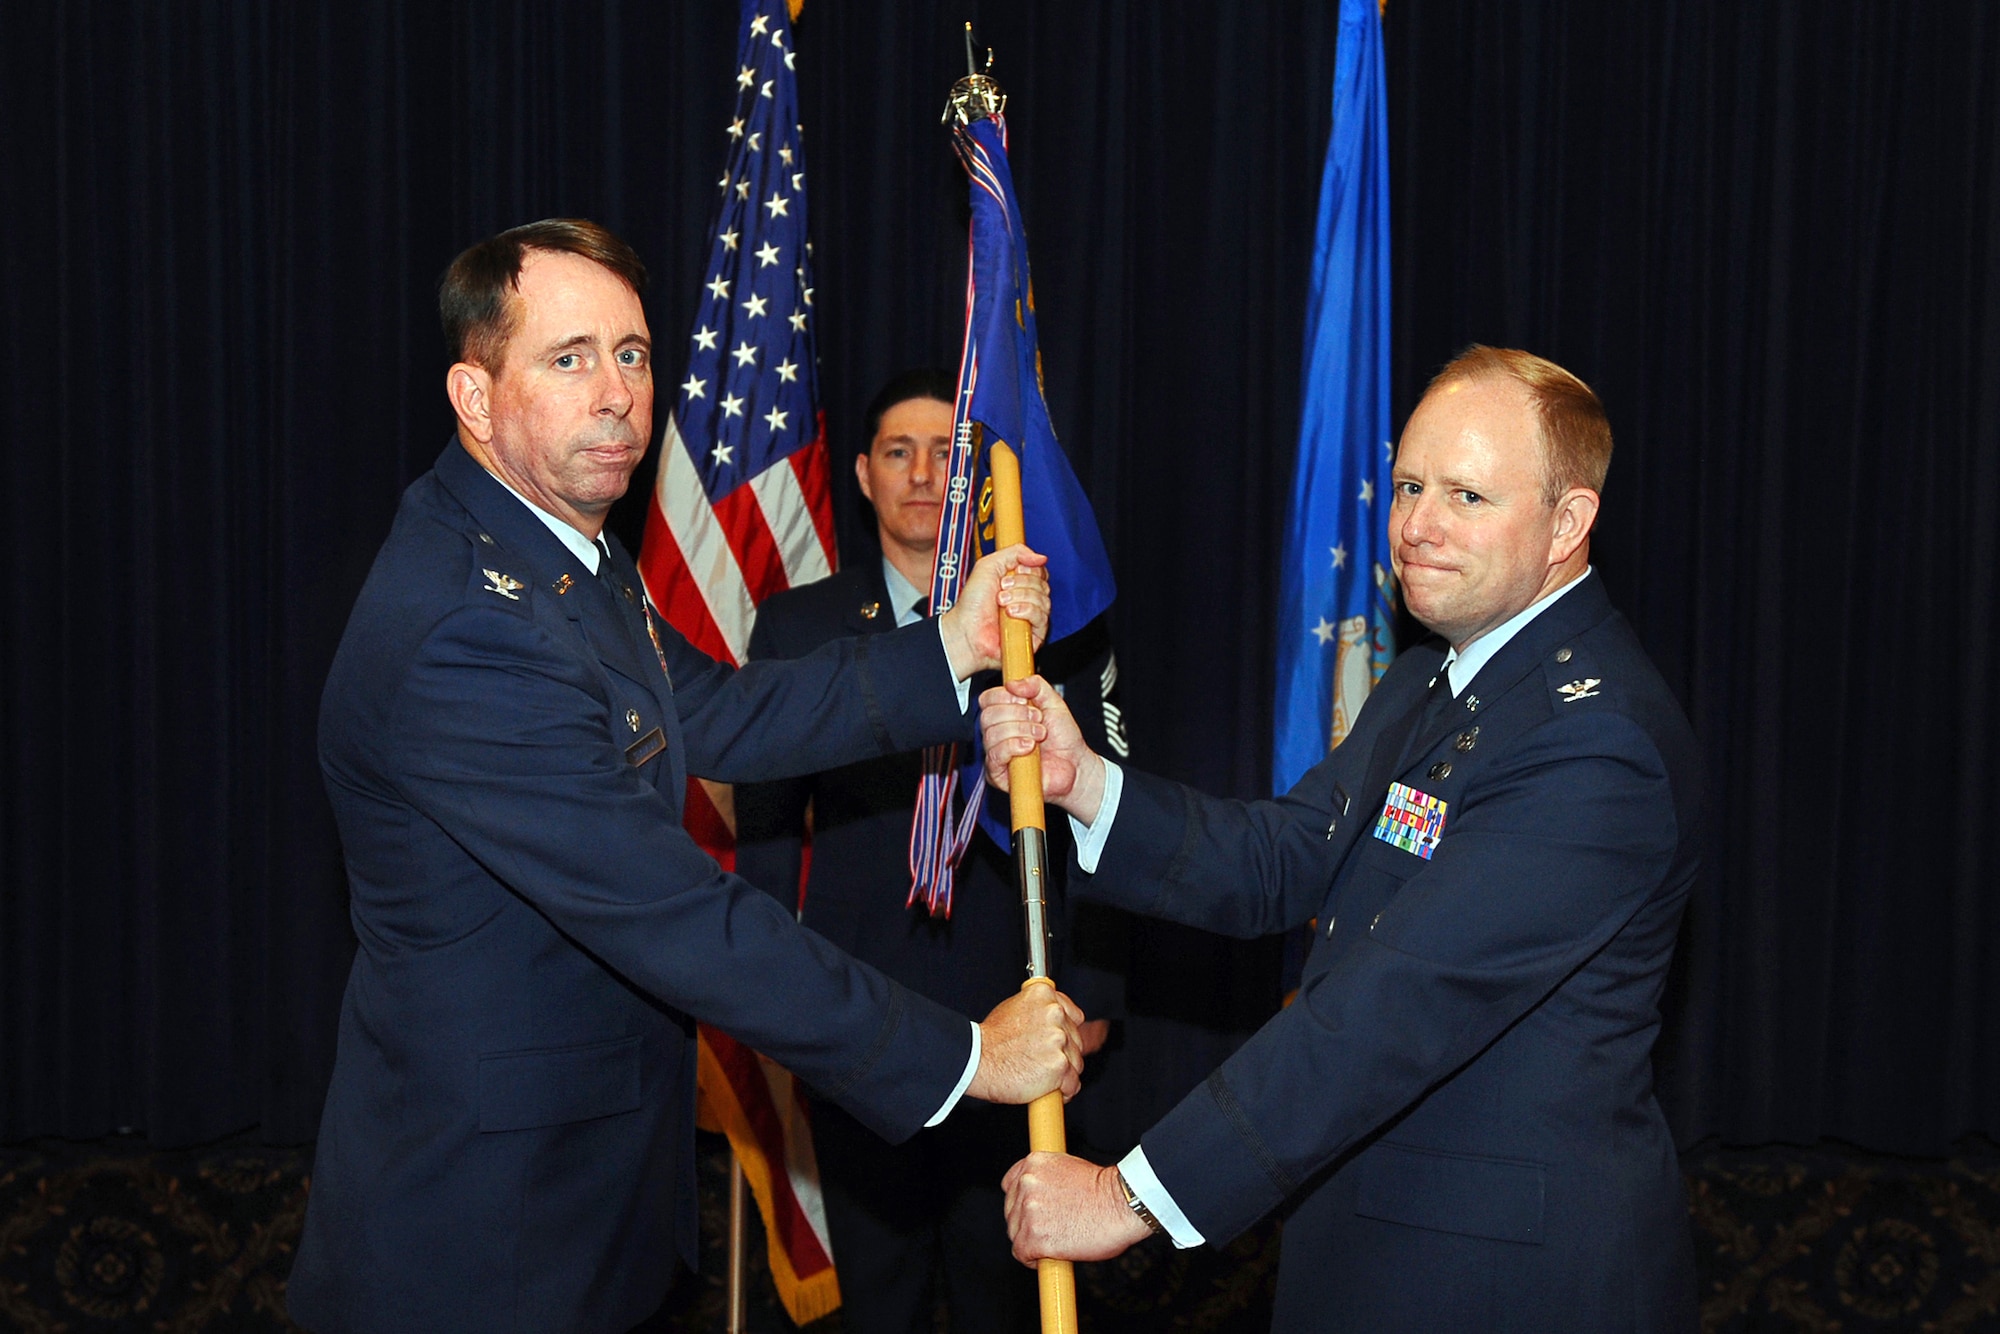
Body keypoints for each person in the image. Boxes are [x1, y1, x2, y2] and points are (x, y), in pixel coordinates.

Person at [287, 220, 1087, 1334]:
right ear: (475, 396)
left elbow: (714, 707)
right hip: (485, 1235)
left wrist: (945, 645)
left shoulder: (562, 551)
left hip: (585, 1189)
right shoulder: (464, 626)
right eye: (568, 358)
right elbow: (668, 907)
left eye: (632, 353)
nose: (617, 392)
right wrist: (959, 1053)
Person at [983, 347, 1703, 1332]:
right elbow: (1282, 855)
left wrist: (1126, 1195)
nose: (1414, 525)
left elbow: (1392, 1006)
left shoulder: (1593, 740)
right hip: (1370, 1244)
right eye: (1408, 483)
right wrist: (1081, 781)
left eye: (1465, 495)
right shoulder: (1428, 679)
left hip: (1498, 1283)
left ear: (1566, 524)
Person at [734, 369, 1128, 1334]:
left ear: (978, 486)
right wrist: (773, 1001)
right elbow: (767, 826)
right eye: (899, 453)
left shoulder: (1047, 626)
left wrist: (1100, 998)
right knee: (882, 1300)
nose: (923, 474)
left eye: (949, 454)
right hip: (860, 1014)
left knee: (1010, 1292)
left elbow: (1105, 826)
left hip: (1019, 1002)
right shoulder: (801, 626)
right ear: (862, 475)